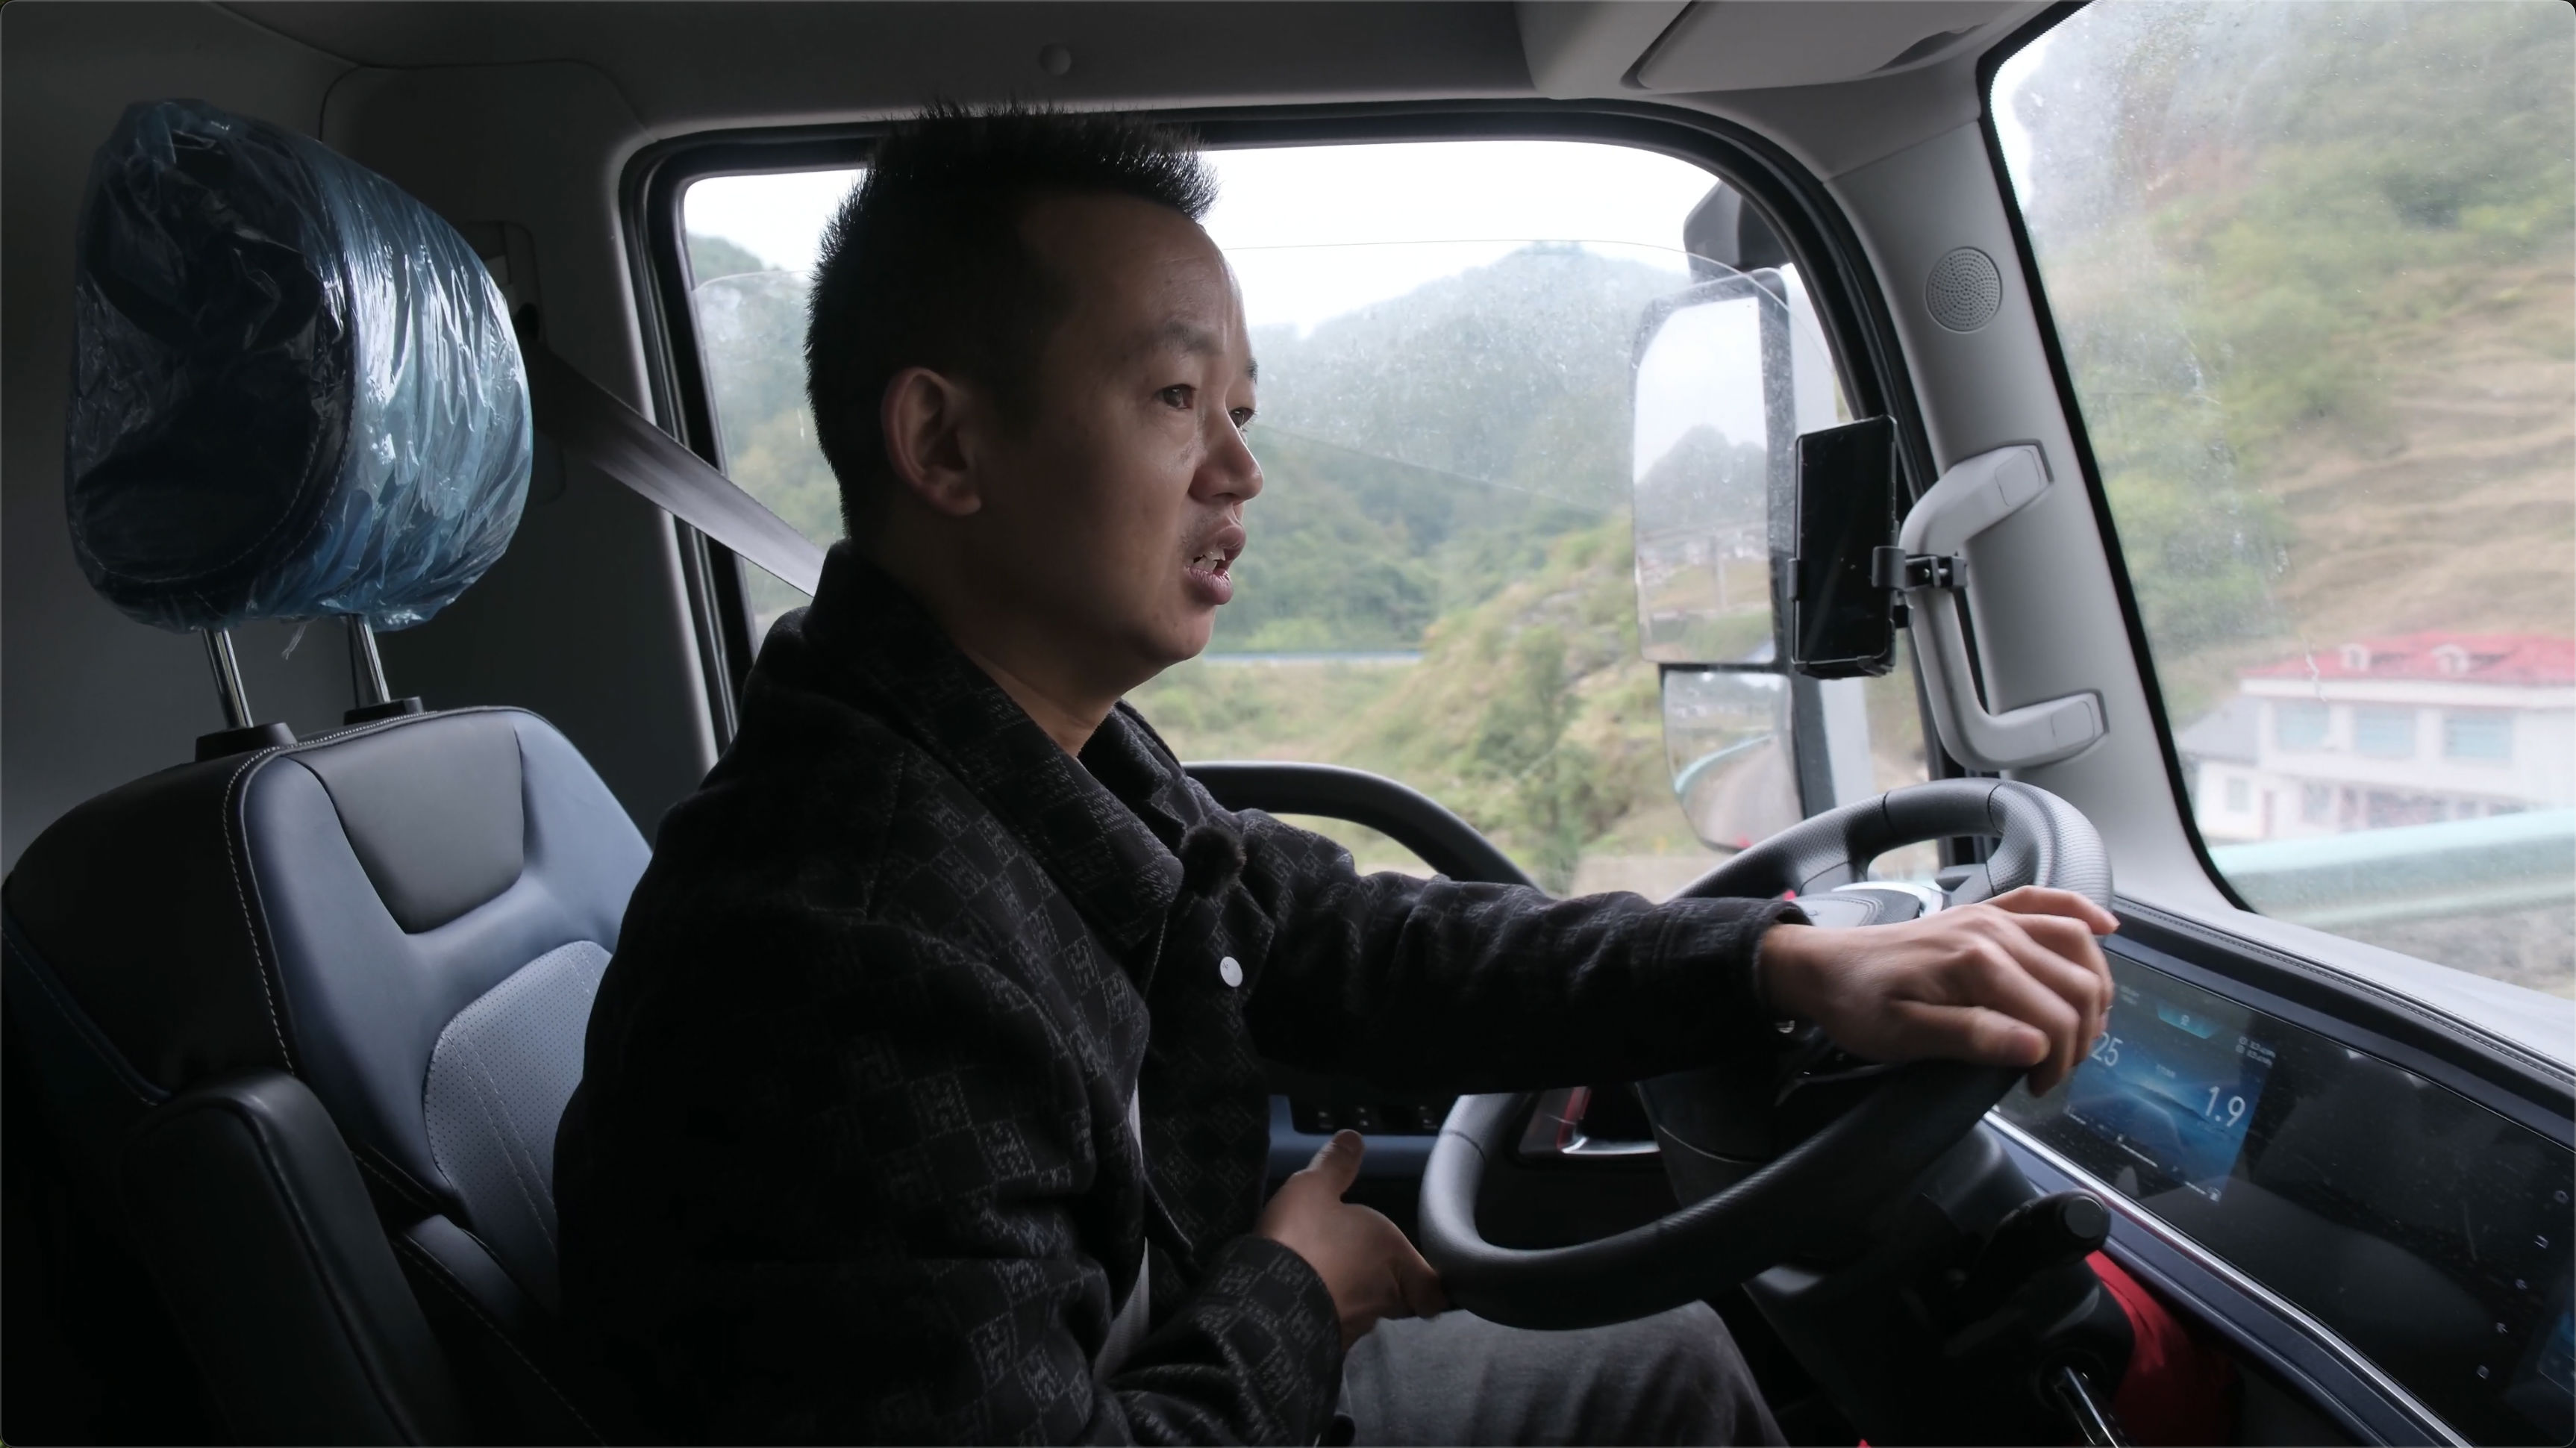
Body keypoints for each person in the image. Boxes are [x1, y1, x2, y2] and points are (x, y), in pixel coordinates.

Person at [554, 103, 2119, 1446]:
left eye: (1239, 410)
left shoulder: (1021, 757)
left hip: (1155, 1349)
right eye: (1177, 400)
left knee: (1668, 1355)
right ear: (946, 447)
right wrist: (1298, 1295)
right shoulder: (849, 950)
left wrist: (1770, 962)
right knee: (1664, 1379)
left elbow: (1339, 939)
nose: (1241, 471)